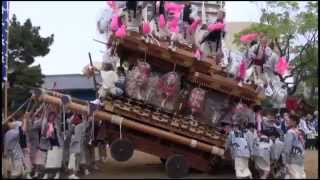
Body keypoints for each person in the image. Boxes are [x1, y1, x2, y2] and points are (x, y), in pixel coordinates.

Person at [283, 113, 306, 179]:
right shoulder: (300, 131)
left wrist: (285, 160)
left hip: (293, 157)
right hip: (300, 155)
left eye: (290, 120)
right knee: (299, 173)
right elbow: (303, 144)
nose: (288, 121)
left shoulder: (290, 132)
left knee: (293, 175)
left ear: (294, 122)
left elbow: (287, 148)